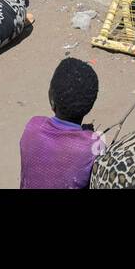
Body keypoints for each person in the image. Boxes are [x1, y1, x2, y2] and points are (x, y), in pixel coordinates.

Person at [19, 58, 101, 189]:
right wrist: (91, 135)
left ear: (51, 99)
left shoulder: (33, 126)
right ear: (90, 105)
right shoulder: (93, 144)